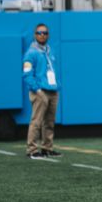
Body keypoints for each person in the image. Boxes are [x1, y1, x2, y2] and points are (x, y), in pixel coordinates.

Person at [23, 23, 60, 159]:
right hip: (40, 91)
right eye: (39, 32)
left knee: (49, 122)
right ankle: (32, 150)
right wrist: (37, 89)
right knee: (36, 121)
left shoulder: (50, 50)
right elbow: (27, 74)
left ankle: (47, 148)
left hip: (52, 90)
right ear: (35, 34)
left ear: (48, 35)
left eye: (45, 32)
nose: (42, 35)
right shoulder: (31, 52)